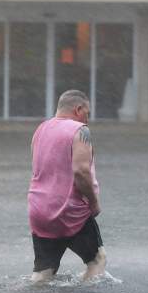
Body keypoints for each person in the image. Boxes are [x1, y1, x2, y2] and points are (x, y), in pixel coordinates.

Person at [27, 89, 106, 283]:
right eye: (87, 113)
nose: (88, 119)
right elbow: (81, 172)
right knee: (97, 261)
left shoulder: (41, 129)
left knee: (43, 273)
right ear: (78, 109)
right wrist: (94, 204)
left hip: (39, 211)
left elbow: (40, 168)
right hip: (70, 210)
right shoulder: (80, 130)